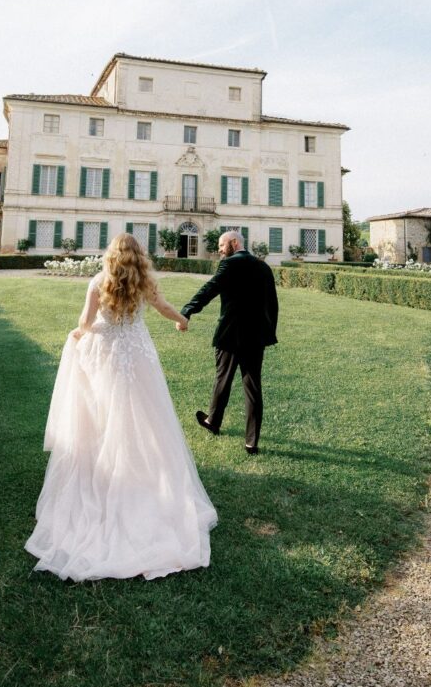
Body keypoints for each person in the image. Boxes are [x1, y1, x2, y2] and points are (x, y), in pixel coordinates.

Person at [25, 233, 217, 581]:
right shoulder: (144, 281)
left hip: (107, 355)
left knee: (103, 415)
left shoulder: (99, 282)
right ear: (138, 255)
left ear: (111, 255)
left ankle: (109, 471)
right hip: (137, 354)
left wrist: (78, 335)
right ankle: (143, 474)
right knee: (144, 416)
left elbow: (85, 323)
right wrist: (182, 320)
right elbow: (163, 308)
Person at [179, 230, 278, 455]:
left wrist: (187, 310)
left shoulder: (229, 265)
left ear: (235, 243)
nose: (220, 250)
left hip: (230, 334)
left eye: (222, 245)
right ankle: (251, 442)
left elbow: (209, 289)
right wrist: (267, 332)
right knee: (253, 387)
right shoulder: (263, 267)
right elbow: (272, 304)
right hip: (256, 337)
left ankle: (213, 421)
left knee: (222, 379)